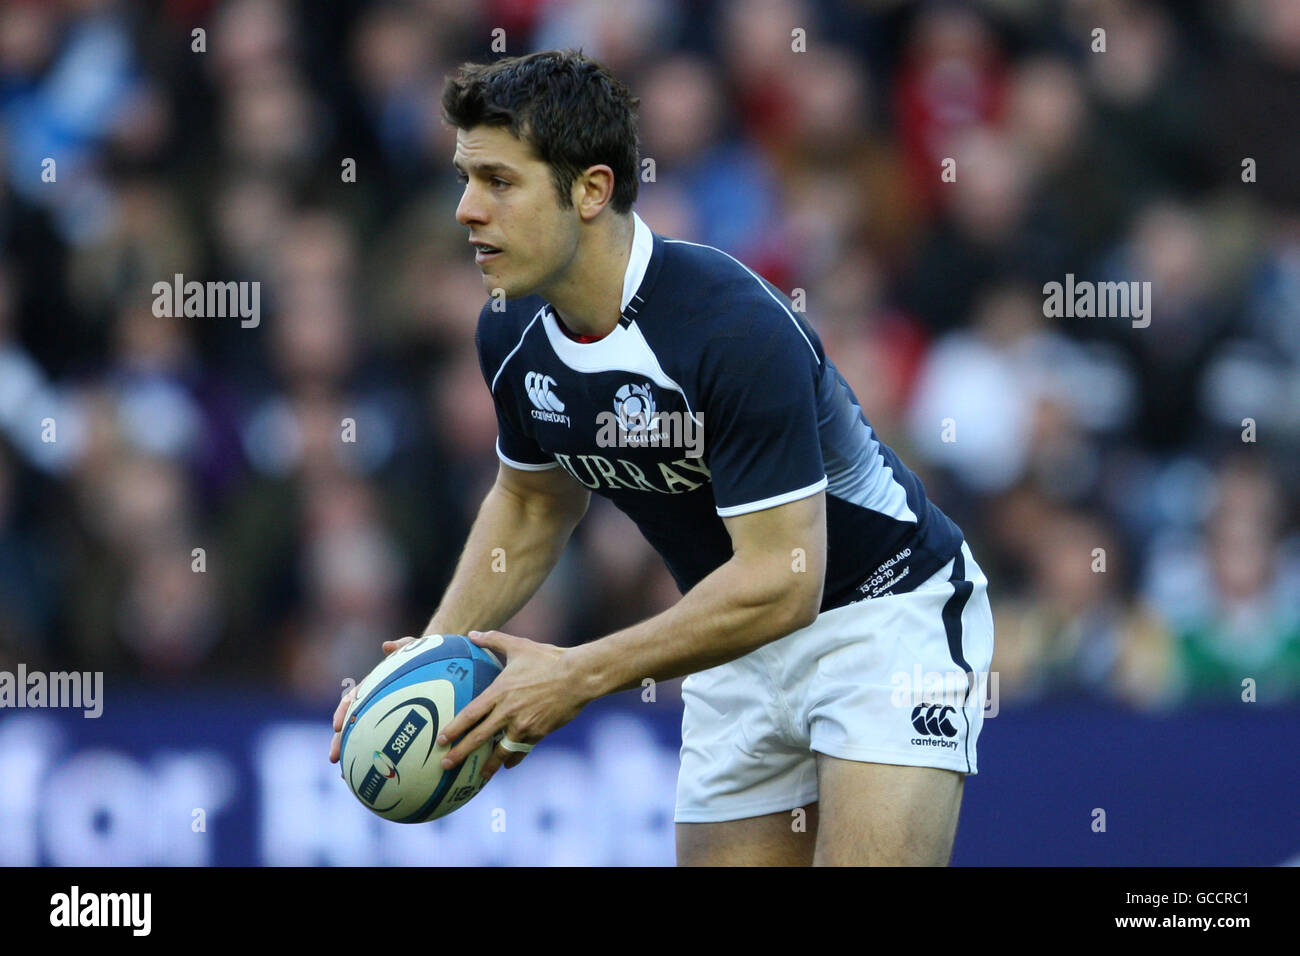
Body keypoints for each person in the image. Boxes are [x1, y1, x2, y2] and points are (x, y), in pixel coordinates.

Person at [329, 49, 995, 866]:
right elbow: (533, 504)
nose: (466, 209)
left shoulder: (729, 328)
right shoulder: (508, 330)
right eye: (465, 178)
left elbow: (786, 580)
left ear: (591, 190)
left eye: (499, 182)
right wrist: (431, 658)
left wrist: (576, 674)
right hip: (729, 639)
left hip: (884, 617)